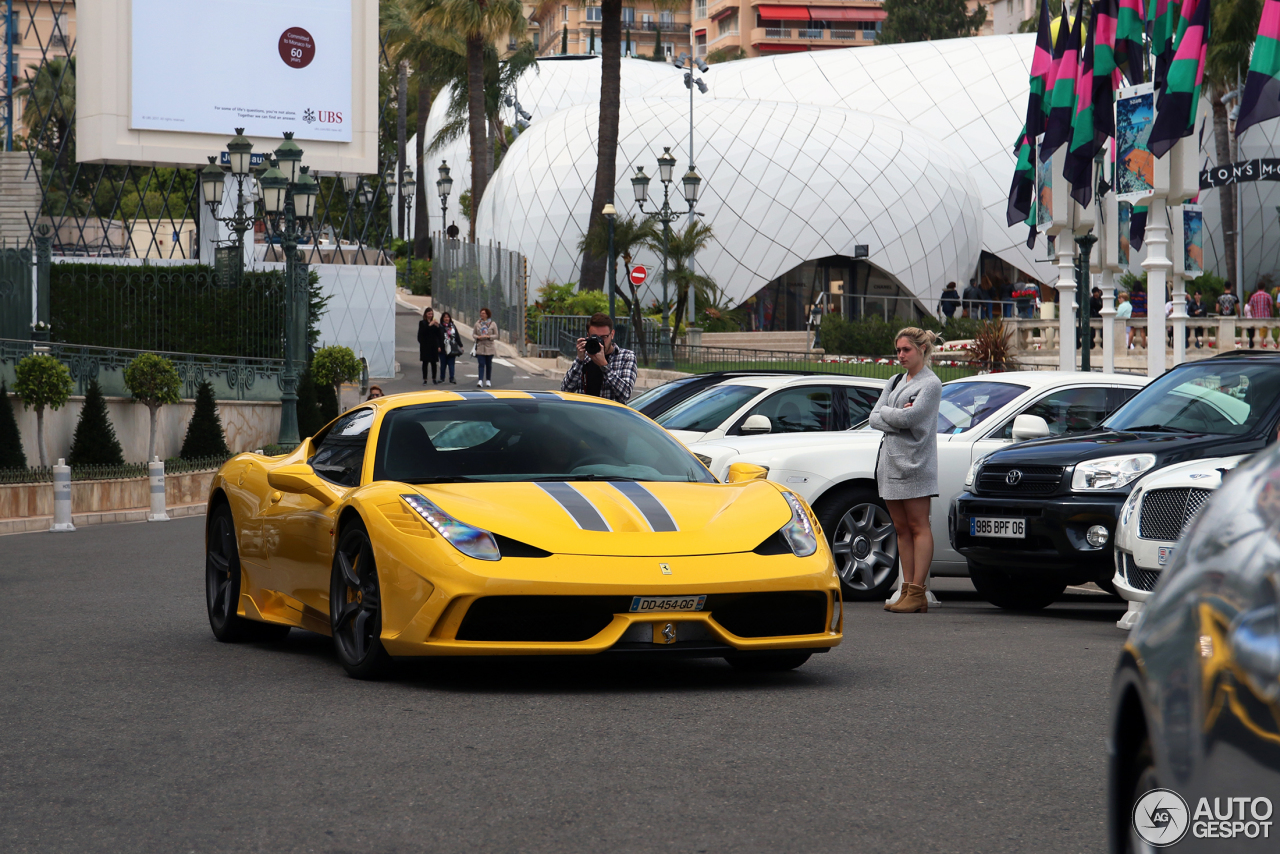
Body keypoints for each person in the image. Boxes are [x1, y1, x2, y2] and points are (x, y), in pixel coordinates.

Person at [869, 327, 942, 615]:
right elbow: (873, 417)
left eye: (906, 350)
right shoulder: (895, 380)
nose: (900, 355)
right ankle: (906, 589)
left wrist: (892, 413)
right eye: (898, 350)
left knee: (918, 526)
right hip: (890, 464)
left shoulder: (931, 384)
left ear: (922, 349)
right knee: (900, 528)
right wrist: (895, 415)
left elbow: (913, 417)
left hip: (915, 464)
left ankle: (918, 592)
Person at [560, 312, 638, 403]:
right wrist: (579, 360)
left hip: (610, 415)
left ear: (612, 334)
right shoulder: (585, 357)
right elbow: (565, 390)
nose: (600, 342)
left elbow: (625, 394)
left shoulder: (626, 357)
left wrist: (604, 366)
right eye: (595, 337)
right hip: (584, 414)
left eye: (604, 337)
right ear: (588, 336)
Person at [417, 307, 443, 384]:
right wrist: (429, 325)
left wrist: (438, 326)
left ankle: (434, 378)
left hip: (433, 345)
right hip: (425, 346)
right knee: (425, 362)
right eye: (429, 314)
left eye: (431, 314)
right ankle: (425, 379)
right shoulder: (422, 323)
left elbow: (438, 335)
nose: (430, 315)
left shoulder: (434, 323)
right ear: (425, 314)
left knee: (434, 363)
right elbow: (422, 333)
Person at [473, 307, 498, 388]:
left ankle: (488, 380)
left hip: (489, 346)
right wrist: (478, 337)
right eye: (481, 313)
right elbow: (473, 334)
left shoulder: (492, 324)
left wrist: (489, 336)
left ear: (487, 314)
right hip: (480, 346)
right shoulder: (477, 323)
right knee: (481, 364)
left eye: (483, 313)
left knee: (488, 364)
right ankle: (480, 380)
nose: (481, 314)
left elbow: (496, 335)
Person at [438, 311, 462, 384]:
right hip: (443, 348)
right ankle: (442, 378)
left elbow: (457, 336)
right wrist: (438, 346)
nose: (446, 318)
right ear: (442, 318)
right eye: (445, 317)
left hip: (452, 348)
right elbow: (438, 337)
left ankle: (452, 378)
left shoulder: (453, 327)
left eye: (448, 317)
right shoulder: (440, 327)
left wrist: (461, 345)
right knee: (443, 364)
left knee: (451, 364)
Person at [1248, 282, 1274, 348]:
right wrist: (1271, 316)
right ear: (1264, 287)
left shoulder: (1253, 296)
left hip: (1256, 318)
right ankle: (1259, 347)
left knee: (1257, 333)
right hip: (1265, 318)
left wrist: (1253, 314)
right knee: (1262, 334)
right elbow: (1271, 308)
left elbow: (1250, 308)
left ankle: (1258, 346)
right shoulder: (1268, 296)